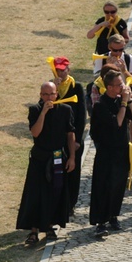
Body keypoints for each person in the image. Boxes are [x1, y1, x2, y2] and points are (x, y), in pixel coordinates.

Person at [16, 82, 77, 246]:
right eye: (45, 95)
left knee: (55, 192)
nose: (48, 98)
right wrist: (43, 112)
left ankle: (50, 226)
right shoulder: (35, 110)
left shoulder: (65, 110)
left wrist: (72, 157)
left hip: (58, 157)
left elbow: (70, 134)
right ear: (40, 95)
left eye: (51, 94)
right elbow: (35, 132)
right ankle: (34, 230)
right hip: (39, 158)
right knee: (35, 194)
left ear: (57, 94)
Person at [89, 70, 132, 237]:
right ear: (109, 87)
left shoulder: (121, 101)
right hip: (106, 151)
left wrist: (129, 100)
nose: (122, 87)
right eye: (119, 84)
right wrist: (124, 103)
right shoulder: (100, 105)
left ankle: (113, 215)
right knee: (103, 185)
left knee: (118, 184)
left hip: (121, 149)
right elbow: (117, 122)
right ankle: (101, 221)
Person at [51, 57, 87, 215]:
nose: (61, 72)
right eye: (58, 69)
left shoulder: (76, 86)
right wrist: (56, 91)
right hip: (57, 137)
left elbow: (81, 115)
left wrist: (77, 140)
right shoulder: (52, 87)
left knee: (73, 173)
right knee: (58, 171)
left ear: (68, 70)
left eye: (63, 69)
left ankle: (70, 203)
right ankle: (58, 203)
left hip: (73, 137)